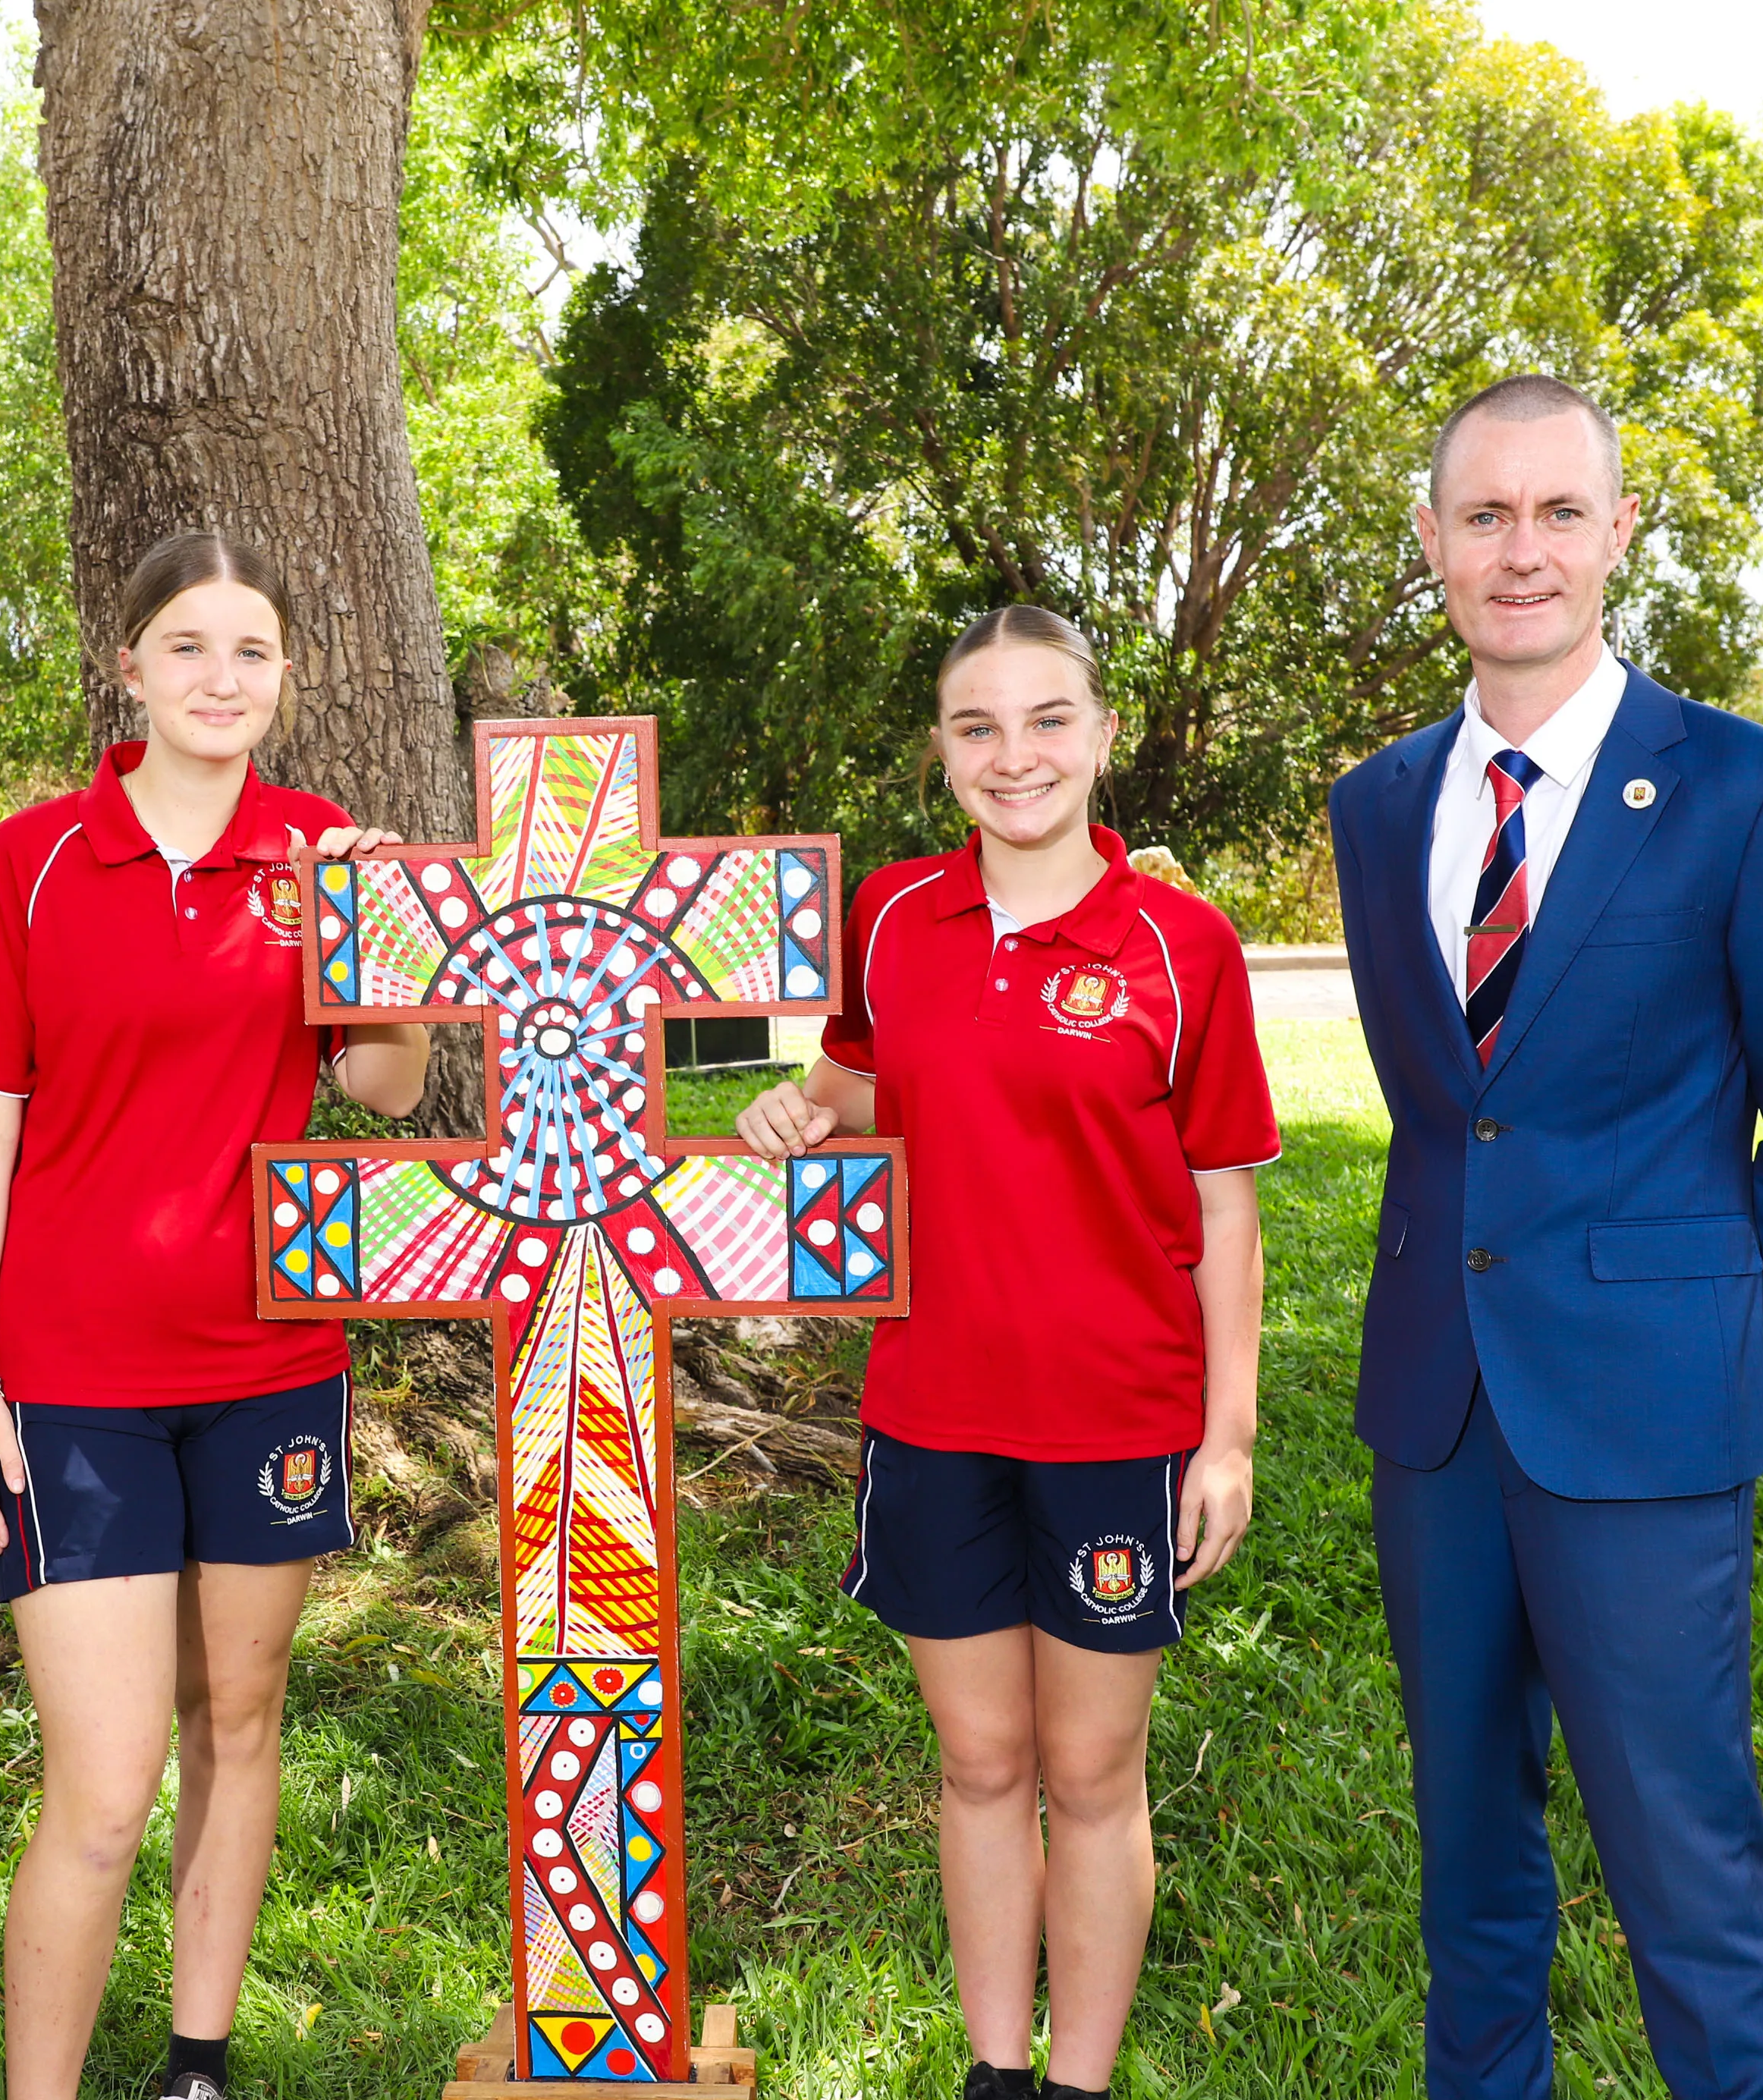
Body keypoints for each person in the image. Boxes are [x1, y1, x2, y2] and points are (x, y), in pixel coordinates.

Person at [1328, 376, 1763, 2099]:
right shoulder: (1375, 809)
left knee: (1680, 1854)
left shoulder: (1745, 793)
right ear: (1430, 543)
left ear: (1618, 532)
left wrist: (1714, 1305)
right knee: (1465, 1859)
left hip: (1647, 1413)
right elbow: (1452, 1118)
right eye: (1484, 516)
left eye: (1558, 512)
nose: (1521, 551)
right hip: (1434, 1411)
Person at [0, 532, 428, 2100]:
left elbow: (383, 1088)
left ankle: (196, 2063)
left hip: (270, 1357)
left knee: (241, 1713)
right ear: (126, 668)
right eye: (186, 646)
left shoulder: (320, 845)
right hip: (72, 1372)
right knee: (108, 1777)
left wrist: (378, 942)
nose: (219, 676)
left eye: (250, 650)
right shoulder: (35, 858)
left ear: (284, 677)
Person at [734, 605, 1277, 2100]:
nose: (1013, 754)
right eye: (977, 727)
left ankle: (1079, 2079)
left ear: (1102, 735)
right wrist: (801, 1107)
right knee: (978, 1763)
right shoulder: (899, 918)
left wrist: (1224, 1434)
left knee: (1090, 1774)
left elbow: (1224, 1209)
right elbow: (858, 1073)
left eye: (1047, 720)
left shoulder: (1182, 947)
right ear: (942, 754)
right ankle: (995, 2070)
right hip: (933, 1414)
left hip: (1118, 1419)